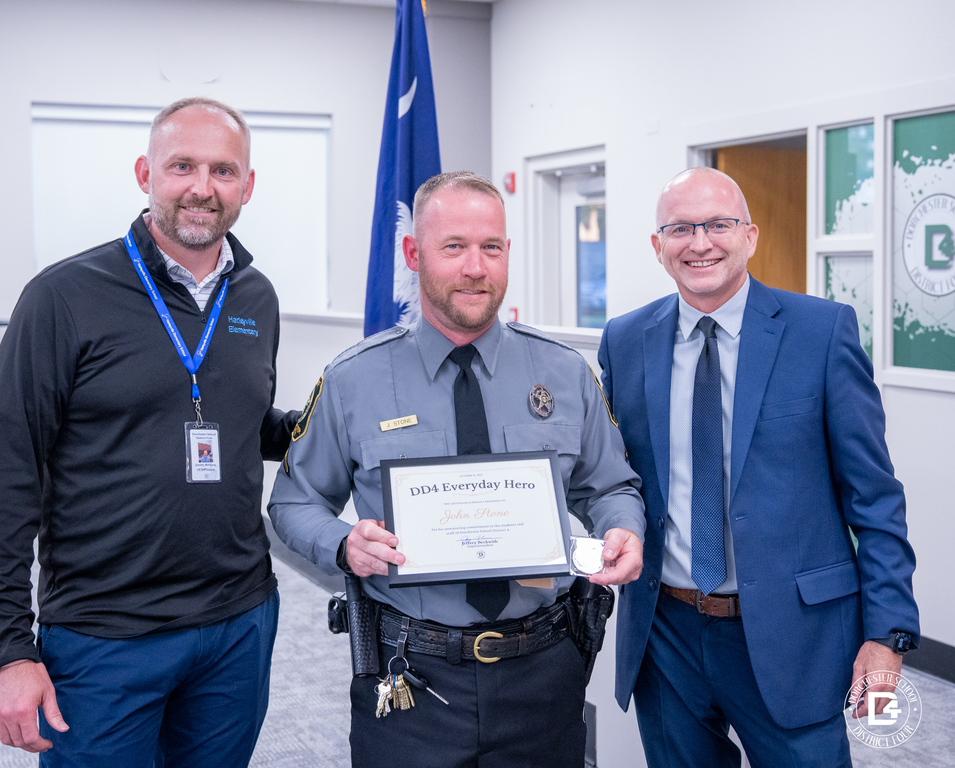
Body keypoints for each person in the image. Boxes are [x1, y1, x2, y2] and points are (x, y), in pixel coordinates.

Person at [270, 171, 645, 768]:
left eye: (491, 247)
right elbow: (292, 503)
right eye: (454, 247)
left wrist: (624, 527)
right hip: (410, 678)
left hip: (544, 674)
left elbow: (610, 485)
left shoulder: (563, 372)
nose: (476, 267)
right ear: (414, 254)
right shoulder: (354, 379)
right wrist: (345, 544)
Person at [0, 97, 297, 766]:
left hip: (238, 623)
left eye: (223, 170)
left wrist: (346, 424)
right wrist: (10, 649)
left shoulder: (256, 297)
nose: (202, 188)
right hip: (104, 636)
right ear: (144, 172)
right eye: (182, 166)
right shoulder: (62, 297)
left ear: (249, 185)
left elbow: (238, 424)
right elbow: (11, 474)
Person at [599, 167, 919, 767]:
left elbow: (874, 496)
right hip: (665, 632)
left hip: (793, 638)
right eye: (681, 229)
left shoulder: (821, 331)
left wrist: (886, 635)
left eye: (718, 224)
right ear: (657, 246)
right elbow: (615, 478)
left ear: (750, 235)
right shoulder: (624, 339)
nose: (700, 243)